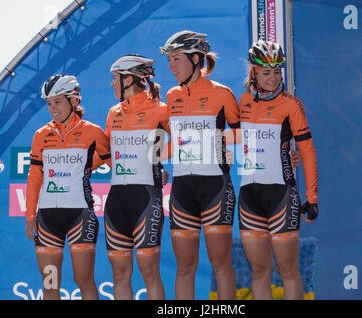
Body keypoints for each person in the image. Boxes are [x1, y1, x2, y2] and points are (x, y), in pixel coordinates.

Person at [159, 30, 240, 300]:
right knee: (184, 266)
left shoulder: (222, 93)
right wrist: (153, 157)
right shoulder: (171, 96)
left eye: (176, 59)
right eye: (169, 60)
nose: (171, 67)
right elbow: (175, 141)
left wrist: (216, 140)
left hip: (214, 185)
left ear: (196, 58)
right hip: (182, 188)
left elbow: (241, 134)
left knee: (220, 264)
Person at [237, 40, 319, 300]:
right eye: (266, 72)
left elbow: (307, 151)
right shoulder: (242, 101)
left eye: (277, 71)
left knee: (288, 271)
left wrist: (312, 198)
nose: (272, 79)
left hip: (281, 195)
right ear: (253, 72)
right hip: (249, 196)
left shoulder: (292, 105)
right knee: (259, 271)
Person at [25, 74, 111, 300]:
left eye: (58, 102)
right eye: (49, 103)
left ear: (74, 101)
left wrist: (87, 167)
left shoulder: (92, 132)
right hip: (47, 220)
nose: (52, 109)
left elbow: (114, 161)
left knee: (84, 280)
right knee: (50, 285)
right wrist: (29, 216)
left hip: (79, 216)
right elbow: (34, 177)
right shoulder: (41, 135)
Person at [103, 54, 169, 300]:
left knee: (149, 272)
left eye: (115, 78)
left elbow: (186, 140)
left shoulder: (161, 110)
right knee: (119, 275)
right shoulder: (113, 112)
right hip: (116, 198)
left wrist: (157, 160)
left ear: (129, 79)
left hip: (146, 198)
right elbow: (108, 154)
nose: (112, 84)